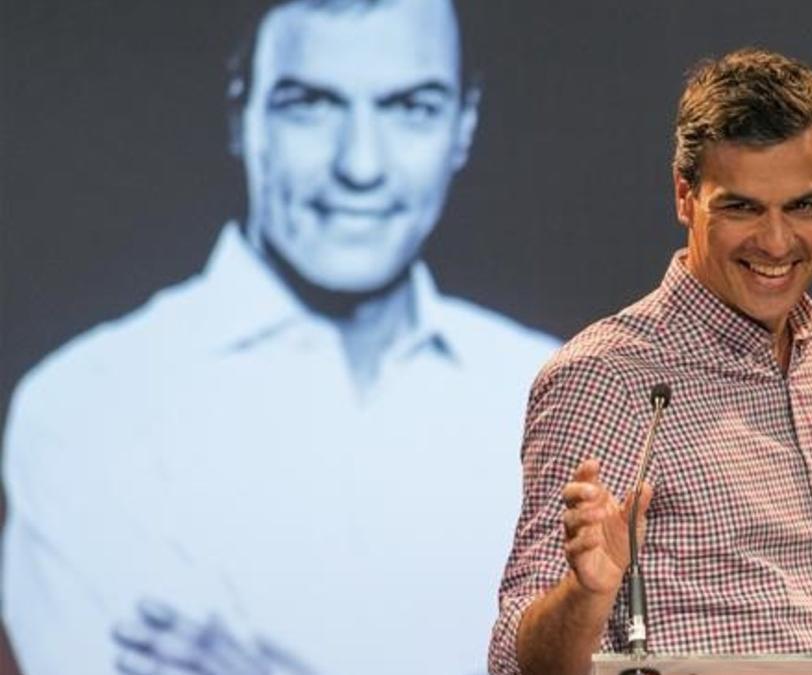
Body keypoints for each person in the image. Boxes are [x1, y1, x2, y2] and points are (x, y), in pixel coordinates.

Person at [1, 1, 557, 673]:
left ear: (463, 124)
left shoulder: (546, 389)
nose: (360, 165)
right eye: (311, 104)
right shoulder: (89, 404)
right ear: (244, 115)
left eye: (411, 106)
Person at [489, 48, 812, 675]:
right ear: (685, 196)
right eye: (741, 207)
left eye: (804, 206)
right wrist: (587, 594)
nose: (776, 243)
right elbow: (513, 661)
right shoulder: (606, 376)